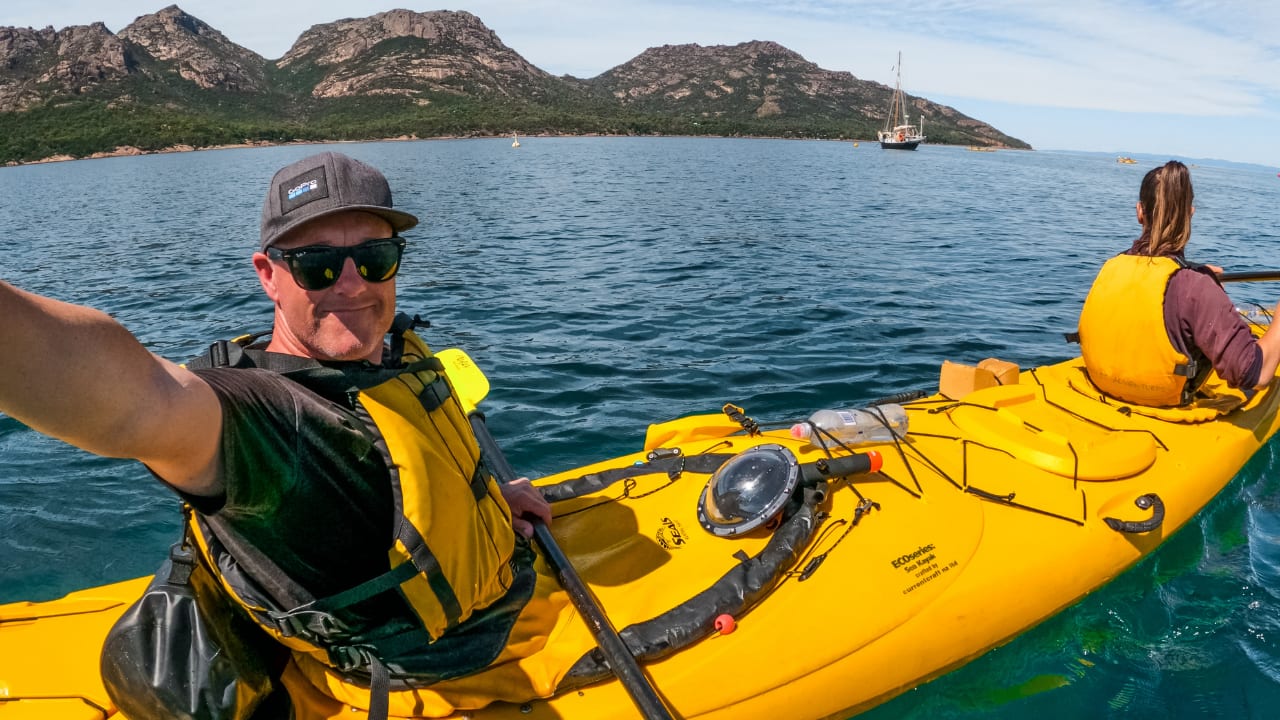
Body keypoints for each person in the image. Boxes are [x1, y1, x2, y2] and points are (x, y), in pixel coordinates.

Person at [0, 151, 554, 718]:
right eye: (317, 264)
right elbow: (141, 402)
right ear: (268, 275)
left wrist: (481, 505)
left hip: (505, 581)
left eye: (375, 257)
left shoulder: (381, 359)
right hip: (437, 669)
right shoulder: (267, 418)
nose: (352, 285)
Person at [1077, 160, 1280, 408]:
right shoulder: (1196, 288)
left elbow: (1154, 287)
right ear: (1190, 213)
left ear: (1140, 212)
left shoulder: (1110, 268)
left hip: (1102, 394)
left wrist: (1199, 278)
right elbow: (1256, 375)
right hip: (1166, 412)